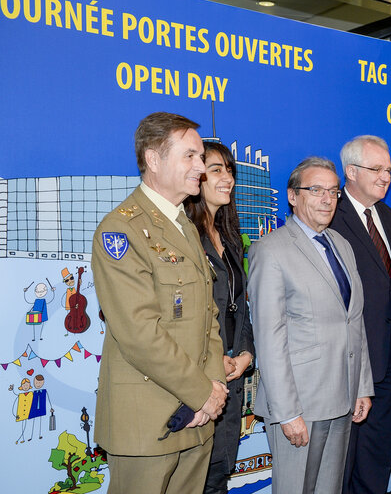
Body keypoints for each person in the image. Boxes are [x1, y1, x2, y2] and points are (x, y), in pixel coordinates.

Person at [91, 112, 227, 494]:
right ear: (153, 160)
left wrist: (214, 387)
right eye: (191, 157)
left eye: (201, 158)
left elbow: (208, 317)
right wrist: (204, 392)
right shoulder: (122, 230)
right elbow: (139, 334)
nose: (201, 168)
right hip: (149, 422)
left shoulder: (185, 226)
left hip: (198, 418)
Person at [248, 157, 374, 494]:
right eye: (315, 190)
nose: (327, 199)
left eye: (333, 192)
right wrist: (288, 413)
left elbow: (354, 320)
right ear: (292, 196)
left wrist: (362, 385)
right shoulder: (270, 250)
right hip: (300, 404)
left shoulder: (342, 246)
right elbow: (269, 338)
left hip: (343, 396)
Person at [329, 136, 391, 494]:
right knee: (342, 461)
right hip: (348, 362)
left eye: (388, 169)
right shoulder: (329, 215)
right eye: (376, 169)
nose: (385, 176)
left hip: (388, 358)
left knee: (375, 458)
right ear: (351, 172)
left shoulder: (389, 217)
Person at [185, 141, 255, 494]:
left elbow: (239, 306)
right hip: (196, 383)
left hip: (230, 380)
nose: (227, 177)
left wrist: (246, 353)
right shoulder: (183, 235)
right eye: (216, 169)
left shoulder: (231, 238)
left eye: (230, 170)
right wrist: (215, 361)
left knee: (217, 478)